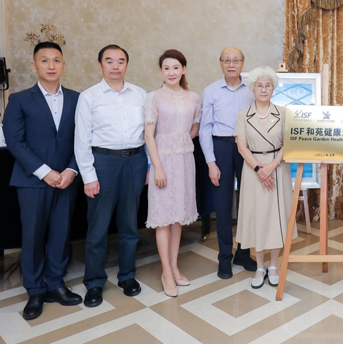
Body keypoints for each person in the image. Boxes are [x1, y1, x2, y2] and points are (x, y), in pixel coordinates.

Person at [3, 42, 82, 320]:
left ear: (63, 65)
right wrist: (44, 171)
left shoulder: (77, 98)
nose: (51, 65)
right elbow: (15, 141)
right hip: (33, 181)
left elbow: (82, 140)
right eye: (45, 60)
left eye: (56, 60)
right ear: (34, 65)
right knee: (33, 236)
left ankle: (56, 284)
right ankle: (35, 290)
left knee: (61, 235)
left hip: (66, 180)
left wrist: (72, 170)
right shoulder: (20, 99)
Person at [75, 44, 148, 308]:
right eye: (109, 61)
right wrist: (89, 176)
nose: (115, 66)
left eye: (120, 61)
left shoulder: (140, 94)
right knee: (98, 227)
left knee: (130, 225)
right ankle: (94, 282)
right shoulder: (89, 97)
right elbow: (81, 140)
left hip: (135, 161)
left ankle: (127, 276)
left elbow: (148, 134)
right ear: (100, 65)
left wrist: (148, 165)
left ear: (127, 65)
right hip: (103, 163)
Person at [144, 50, 201, 297]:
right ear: (160, 71)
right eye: (166, 68)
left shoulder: (194, 97)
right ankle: (166, 271)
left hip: (185, 161)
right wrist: (157, 166)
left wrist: (180, 142)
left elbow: (195, 127)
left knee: (178, 217)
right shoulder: (153, 97)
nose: (171, 72)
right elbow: (148, 135)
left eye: (175, 67)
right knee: (163, 218)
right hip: (162, 161)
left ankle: (175, 266)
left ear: (184, 69)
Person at [235, 66, 297, 288]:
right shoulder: (244, 115)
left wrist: (272, 166)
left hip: (277, 169)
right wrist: (260, 170)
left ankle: (273, 265)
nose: (263, 89)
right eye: (259, 85)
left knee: (276, 217)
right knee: (257, 217)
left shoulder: (283, 113)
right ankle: (259, 266)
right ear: (253, 88)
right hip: (253, 171)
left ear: (273, 88)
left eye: (268, 85)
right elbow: (242, 147)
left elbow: (289, 143)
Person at [199, 47, 256, 278]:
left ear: (243, 63)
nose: (231, 65)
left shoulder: (252, 90)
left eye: (236, 61)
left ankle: (243, 252)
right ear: (220, 63)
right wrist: (211, 162)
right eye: (226, 61)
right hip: (220, 147)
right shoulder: (211, 91)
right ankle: (224, 257)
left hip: (246, 149)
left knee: (247, 202)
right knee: (222, 205)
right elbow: (204, 129)